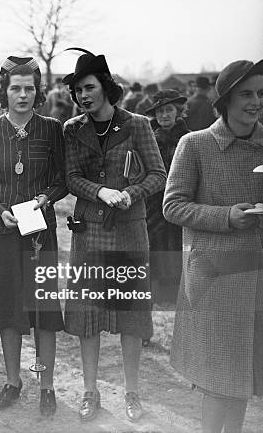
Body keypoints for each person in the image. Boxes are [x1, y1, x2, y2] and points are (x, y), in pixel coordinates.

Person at [163, 59, 263, 433]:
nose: (256, 101)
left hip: (258, 272)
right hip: (213, 275)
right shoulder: (194, 145)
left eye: (261, 92)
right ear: (225, 99)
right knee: (217, 379)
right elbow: (172, 205)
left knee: (242, 374)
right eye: (246, 94)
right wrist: (227, 216)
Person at [62, 48, 166, 422]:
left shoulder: (136, 124)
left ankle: (132, 394)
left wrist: (129, 193)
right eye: (77, 91)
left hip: (128, 231)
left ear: (105, 87)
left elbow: (158, 175)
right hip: (88, 233)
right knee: (88, 316)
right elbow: (71, 177)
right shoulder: (72, 129)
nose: (83, 97)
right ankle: (90, 393)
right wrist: (100, 192)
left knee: (130, 317)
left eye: (88, 88)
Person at [0, 56, 67, 416]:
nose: (23, 95)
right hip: (3, 231)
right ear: (4, 92)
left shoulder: (51, 129)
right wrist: (1, 212)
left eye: (29, 88)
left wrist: (46, 198)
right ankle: (14, 382)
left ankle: (46, 385)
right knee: (9, 311)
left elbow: (62, 179)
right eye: (16, 88)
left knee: (43, 311)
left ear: (37, 91)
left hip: (40, 233)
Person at [144, 90, 188, 305]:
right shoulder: (149, 139)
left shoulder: (189, 139)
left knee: (179, 247)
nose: (164, 115)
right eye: (160, 111)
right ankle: (157, 293)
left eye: (169, 110)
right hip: (154, 203)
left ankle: (178, 293)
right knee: (155, 247)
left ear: (178, 112)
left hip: (182, 202)